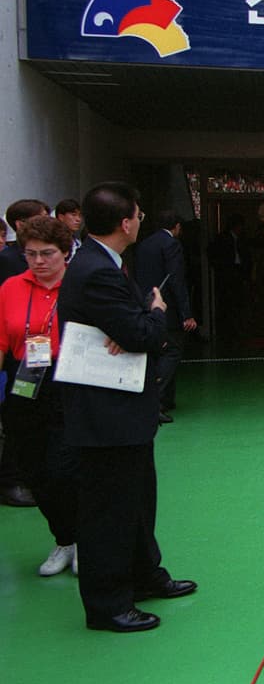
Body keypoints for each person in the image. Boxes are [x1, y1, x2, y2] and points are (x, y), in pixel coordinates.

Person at [59, 182, 196, 633]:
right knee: (108, 512)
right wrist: (154, 313)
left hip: (124, 413)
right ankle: (108, 603)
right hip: (105, 415)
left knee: (137, 501)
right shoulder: (96, 269)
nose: (140, 221)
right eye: (137, 215)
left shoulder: (108, 263)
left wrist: (138, 322)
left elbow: (131, 326)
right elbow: (142, 332)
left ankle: (144, 574)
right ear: (125, 222)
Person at [0, 216, 78, 575]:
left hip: (69, 382)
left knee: (64, 468)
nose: (38, 261)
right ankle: (64, 538)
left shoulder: (80, 287)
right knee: (34, 470)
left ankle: (83, 539)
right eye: (30, 254)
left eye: (47, 253)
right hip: (24, 381)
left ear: (65, 252)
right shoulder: (11, 288)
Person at [134, 210, 195, 422]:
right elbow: (176, 279)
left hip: (146, 303)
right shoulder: (171, 245)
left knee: (158, 351)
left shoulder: (143, 244)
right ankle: (156, 400)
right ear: (177, 227)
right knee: (172, 351)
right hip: (166, 306)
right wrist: (187, 314)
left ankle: (167, 398)